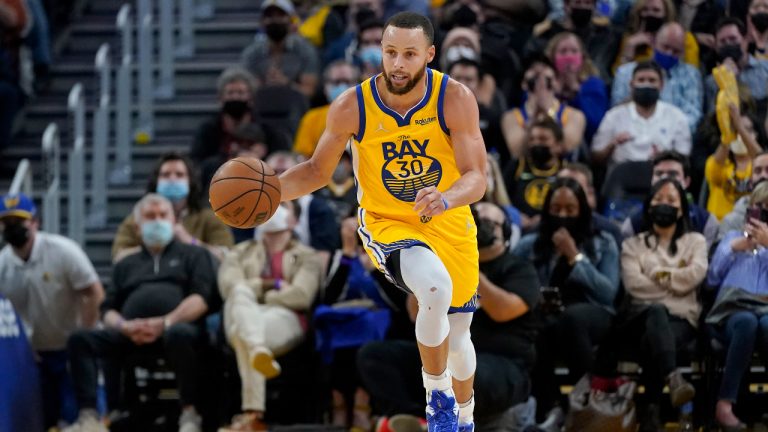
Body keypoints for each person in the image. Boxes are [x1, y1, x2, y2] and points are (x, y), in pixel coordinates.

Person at [276, 12, 487, 431]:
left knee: (460, 337)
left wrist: (445, 198)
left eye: (409, 54)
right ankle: (437, 396)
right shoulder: (353, 105)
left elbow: (477, 178)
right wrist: (272, 194)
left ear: (428, 54)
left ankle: (465, 418)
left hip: (448, 218)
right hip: (388, 220)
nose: (397, 64)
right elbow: (318, 171)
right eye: (390, 52)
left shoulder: (455, 97)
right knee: (433, 287)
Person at [357, 201, 541, 430]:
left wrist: (469, 268)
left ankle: (454, 421)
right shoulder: (442, 262)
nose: (478, 226)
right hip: (445, 357)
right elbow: (415, 313)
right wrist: (442, 259)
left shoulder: (518, 267)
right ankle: (419, 420)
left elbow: (503, 310)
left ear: (504, 233)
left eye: (489, 223)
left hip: (503, 366)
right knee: (374, 355)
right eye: (474, 219)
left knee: (465, 372)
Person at [65, 194, 216, 432]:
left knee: (181, 334)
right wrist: (124, 326)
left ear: (174, 220)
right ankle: (90, 418)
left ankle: (189, 414)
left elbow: (202, 298)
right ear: (137, 226)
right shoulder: (126, 262)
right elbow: (107, 309)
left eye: (163, 215)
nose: (157, 221)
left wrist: (165, 323)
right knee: (80, 340)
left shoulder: (194, 255)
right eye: (150, 216)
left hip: (176, 331)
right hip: (131, 333)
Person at [596, 177, 707, 431]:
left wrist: (655, 272)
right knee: (655, 313)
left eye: (671, 200)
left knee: (654, 339)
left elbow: (695, 276)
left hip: (681, 319)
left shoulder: (696, 242)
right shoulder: (633, 245)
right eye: (658, 199)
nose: (664, 204)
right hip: (638, 318)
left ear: (681, 209)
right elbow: (635, 285)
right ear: (648, 206)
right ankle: (672, 379)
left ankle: (651, 410)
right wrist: (675, 277)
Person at [512, 177, 619, 424]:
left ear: (582, 210)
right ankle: (552, 407)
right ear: (546, 211)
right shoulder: (530, 245)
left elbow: (608, 292)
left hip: (595, 314)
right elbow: (513, 280)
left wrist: (575, 256)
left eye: (570, 210)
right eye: (556, 209)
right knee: (535, 329)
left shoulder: (604, 241)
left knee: (573, 319)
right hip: (548, 317)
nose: (562, 215)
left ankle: (590, 400)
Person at [0, 193, 104, 429]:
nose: (12, 228)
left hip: (72, 349)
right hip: (34, 354)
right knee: (41, 419)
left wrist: (83, 337)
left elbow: (94, 292)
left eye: (19, 222)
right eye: (6, 223)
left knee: (79, 417)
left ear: (35, 222)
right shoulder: (2, 265)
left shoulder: (63, 251)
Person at [217, 202, 324, 431]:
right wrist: (274, 286)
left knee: (244, 329)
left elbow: (302, 296)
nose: (274, 209)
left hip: (283, 318)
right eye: (269, 203)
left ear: (294, 220)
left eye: (282, 205)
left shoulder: (308, 256)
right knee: (239, 296)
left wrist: (255, 293)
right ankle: (258, 351)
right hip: (243, 312)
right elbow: (229, 287)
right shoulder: (239, 251)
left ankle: (252, 415)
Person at [706, 181, 768, 431]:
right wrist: (734, 248)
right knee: (746, 321)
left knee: (764, 324)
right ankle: (724, 405)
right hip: (729, 313)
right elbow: (711, 279)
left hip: (765, 310)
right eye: (759, 207)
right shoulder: (731, 237)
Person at [112, 153, 234, 262]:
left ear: (190, 182)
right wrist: (151, 246)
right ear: (156, 182)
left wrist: (189, 241)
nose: (172, 179)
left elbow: (226, 258)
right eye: (165, 175)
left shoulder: (209, 218)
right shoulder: (138, 219)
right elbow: (118, 257)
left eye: (179, 175)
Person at [592, 61, 691, 167]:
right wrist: (612, 144)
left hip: (660, 173)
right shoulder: (613, 116)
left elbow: (684, 158)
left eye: (652, 80)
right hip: (623, 174)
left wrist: (664, 157)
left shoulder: (676, 117)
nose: (646, 84)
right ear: (632, 84)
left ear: (661, 85)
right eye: (641, 80)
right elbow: (596, 157)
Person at [611, 22, 703, 133]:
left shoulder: (691, 74)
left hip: (674, 138)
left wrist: (665, 133)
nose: (669, 53)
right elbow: (615, 111)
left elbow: (693, 115)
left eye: (676, 51)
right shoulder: (625, 72)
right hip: (632, 135)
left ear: (683, 52)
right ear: (654, 43)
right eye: (665, 47)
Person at [622, 150, 720, 245]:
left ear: (686, 182)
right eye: (659, 174)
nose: (665, 178)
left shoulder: (706, 222)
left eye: (673, 174)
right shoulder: (633, 224)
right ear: (651, 180)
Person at [501, 55, 586, 159]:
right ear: (524, 84)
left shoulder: (574, 115)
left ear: (556, 82)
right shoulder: (511, 117)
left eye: (545, 69)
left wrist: (547, 113)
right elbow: (517, 152)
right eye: (534, 73)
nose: (540, 74)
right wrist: (535, 116)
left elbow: (566, 147)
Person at [241, 0, 319, 98]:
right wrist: (267, 85)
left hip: (297, 108)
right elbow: (247, 91)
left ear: (291, 20)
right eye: (270, 16)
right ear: (262, 21)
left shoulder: (305, 50)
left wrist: (286, 84)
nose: (275, 20)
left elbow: (309, 91)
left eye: (280, 15)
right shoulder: (252, 53)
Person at [503, 117, 567, 232]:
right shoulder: (517, 165)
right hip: (518, 226)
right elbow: (502, 197)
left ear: (558, 145)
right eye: (532, 139)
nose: (536, 143)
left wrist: (545, 218)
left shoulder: (566, 170)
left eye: (543, 139)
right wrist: (516, 216)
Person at [545, 31, 609, 141]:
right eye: (563, 51)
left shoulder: (594, 84)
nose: (569, 56)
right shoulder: (542, 82)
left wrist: (576, 92)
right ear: (552, 57)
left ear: (582, 57)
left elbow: (596, 124)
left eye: (574, 51)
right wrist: (554, 93)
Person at [705, 103, 764, 220]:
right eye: (735, 131)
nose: (739, 136)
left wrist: (740, 127)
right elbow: (714, 169)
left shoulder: (760, 167)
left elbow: (761, 159)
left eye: (748, 130)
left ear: (757, 135)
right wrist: (729, 131)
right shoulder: (720, 162)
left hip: (753, 225)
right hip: (719, 229)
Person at [293, 60, 361, 158]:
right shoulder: (312, 117)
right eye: (336, 82)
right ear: (326, 87)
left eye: (347, 82)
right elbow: (302, 156)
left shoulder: (371, 114)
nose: (342, 87)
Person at [704, 17, 768, 113]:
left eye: (733, 39)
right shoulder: (711, 82)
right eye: (722, 41)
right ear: (716, 47)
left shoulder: (765, 69)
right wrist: (727, 80)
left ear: (745, 40)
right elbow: (712, 117)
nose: (728, 44)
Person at [556, 162, 624, 247]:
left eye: (574, 188)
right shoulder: (540, 229)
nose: (567, 195)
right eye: (561, 187)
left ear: (590, 194)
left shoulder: (609, 232)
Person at [718, 152, 768, 237]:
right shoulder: (732, 220)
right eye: (758, 171)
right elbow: (720, 250)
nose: (763, 175)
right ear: (750, 182)